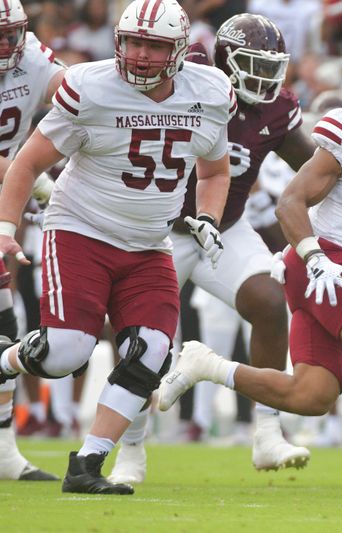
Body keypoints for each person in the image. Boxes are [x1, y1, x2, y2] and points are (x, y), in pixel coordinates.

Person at [157, 57, 342, 494]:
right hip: (320, 257)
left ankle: (208, 366)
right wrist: (314, 255)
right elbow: (290, 202)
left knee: (312, 395)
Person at [0, 0, 235, 495]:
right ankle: (3, 360)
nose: (142, 55)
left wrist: (210, 218)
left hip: (150, 243)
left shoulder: (210, 91)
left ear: (179, 51)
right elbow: (24, 164)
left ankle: (87, 464)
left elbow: (215, 170)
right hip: (81, 230)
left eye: (154, 45)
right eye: (134, 42)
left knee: (152, 351)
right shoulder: (89, 86)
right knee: (66, 352)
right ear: (118, 42)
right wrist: (5, 227)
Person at [109, 14, 316, 484]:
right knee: (139, 339)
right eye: (252, 65)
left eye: (272, 67)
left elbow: (313, 165)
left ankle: (266, 433)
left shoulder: (276, 108)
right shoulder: (186, 78)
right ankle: (132, 448)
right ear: (223, 60)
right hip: (158, 230)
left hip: (226, 228)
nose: (264, 78)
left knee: (269, 302)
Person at [0, 0, 65, 483]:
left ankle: (3, 452)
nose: (6, 46)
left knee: (5, 325)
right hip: (13, 188)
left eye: (12, 35)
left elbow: (76, 91)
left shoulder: (32, 57)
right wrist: (39, 182)